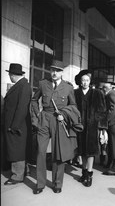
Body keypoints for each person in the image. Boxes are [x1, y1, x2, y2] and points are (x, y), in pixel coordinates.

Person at [31, 60, 82, 194]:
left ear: (62, 72)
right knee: (41, 151)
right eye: (52, 70)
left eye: (58, 70)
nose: (54, 73)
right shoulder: (43, 84)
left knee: (58, 152)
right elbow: (34, 100)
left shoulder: (68, 87)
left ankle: (57, 183)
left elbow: (73, 106)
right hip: (44, 119)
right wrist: (37, 116)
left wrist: (64, 115)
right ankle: (40, 184)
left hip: (59, 121)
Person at [74, 70, 108, 187]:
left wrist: (102, 128)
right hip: (79, 126)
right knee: (81, 150)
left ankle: (89, 174)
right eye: (83, 80)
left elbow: (103, 111)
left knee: (91, 151)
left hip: (92, 127)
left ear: (90, 82)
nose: (85, 82)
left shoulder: (97, 93)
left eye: (87, 80)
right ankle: (83, 172)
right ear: (80, 81)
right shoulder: (75, 93)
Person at [3, 63, 32, 185]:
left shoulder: (23, 86)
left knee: (17, 150)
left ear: (14, 75)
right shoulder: (21, 85)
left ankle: (17, 175)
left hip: (17, 126)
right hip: (15, 124)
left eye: (10, 74)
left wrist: (14, 126)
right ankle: (22, 172)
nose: (9, 77)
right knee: (16, 149)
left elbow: (22, 108)